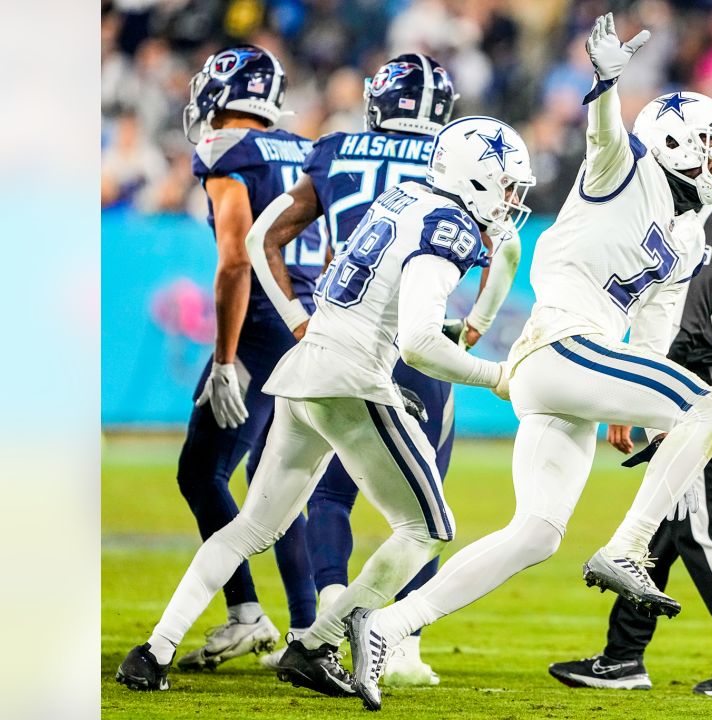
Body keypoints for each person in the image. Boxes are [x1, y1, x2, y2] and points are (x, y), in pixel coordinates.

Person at [340, 14, 712, 711]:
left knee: (536, 533)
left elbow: (652, 336)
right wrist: (608, 82)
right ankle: (628, 549)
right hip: (562, 344)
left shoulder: (689, 238)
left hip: (574, 372)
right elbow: (605, 134)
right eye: (706, 143)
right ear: (670, 139)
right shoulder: (628, 168)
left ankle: (389, 625)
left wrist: (632, 413)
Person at [113, 115, 536, 695]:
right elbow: (417, 342)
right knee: (429, 529)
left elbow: (395, 306)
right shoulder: (449, 227)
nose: (512, 201)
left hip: (308, 366)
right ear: (477, 178)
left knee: (253, 526)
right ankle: (317, 645)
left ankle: (153, 650)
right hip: (352, 381)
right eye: (508, 185)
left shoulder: (404, 196)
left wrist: (466, 324)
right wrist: (498, 376)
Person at [243, 53, 521, 686]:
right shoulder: (455, 162)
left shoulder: (338, 149)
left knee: (328, 497)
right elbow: (504, 249)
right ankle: (398, 643)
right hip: (412, 346)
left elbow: (265, 237)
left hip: (339, 335)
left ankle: (318, 626)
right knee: (425, 508)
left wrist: (296, 317)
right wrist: (475, 327)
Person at [547, 123, 712, 697]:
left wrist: (651, 398)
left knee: (698, 529)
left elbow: (686, 320)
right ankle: (622, 656)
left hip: (701, 390)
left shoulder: (701, 222)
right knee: (664, 525)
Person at [167, 44, 323, 672]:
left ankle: (246, 615)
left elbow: (235, 259)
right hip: (309, 320)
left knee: (201, 472)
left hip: (260, 325)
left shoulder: (227, 149)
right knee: (275, 481)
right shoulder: (302, 147)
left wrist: (226, 357)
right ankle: (309, 625)